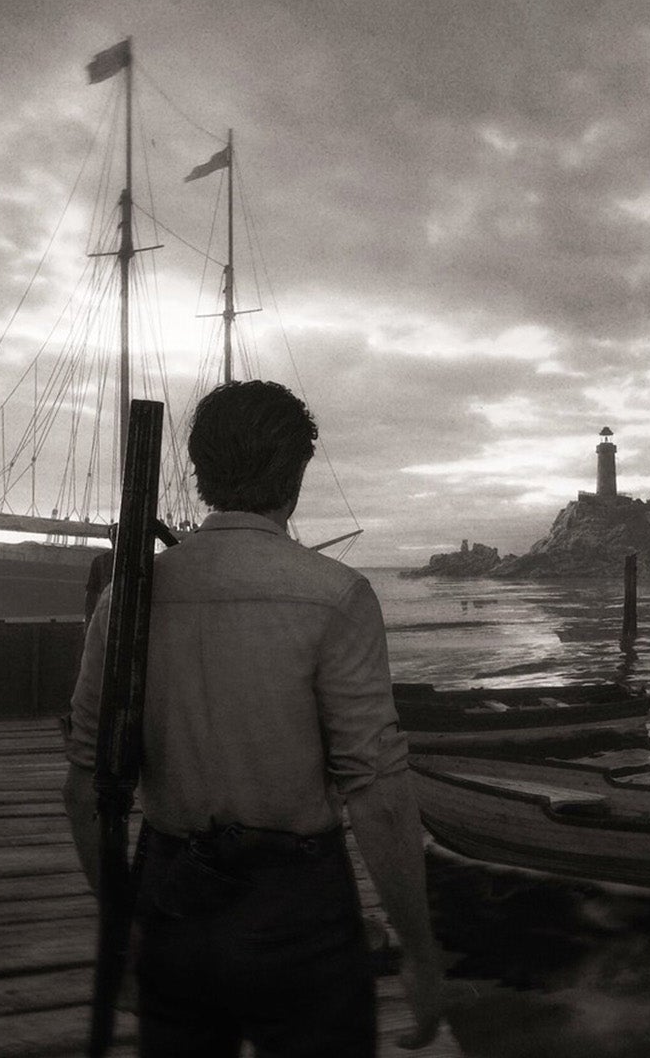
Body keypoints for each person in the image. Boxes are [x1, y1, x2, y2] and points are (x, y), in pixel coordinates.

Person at [62, 380, 442, 1056]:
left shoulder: (128, 599)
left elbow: (87, 789)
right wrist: (418, 948)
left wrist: (126, 925)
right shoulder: (335, 596)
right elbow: (377, 794)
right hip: (297, 909)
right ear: (296, 475)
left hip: (171, 894)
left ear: (202, 472)